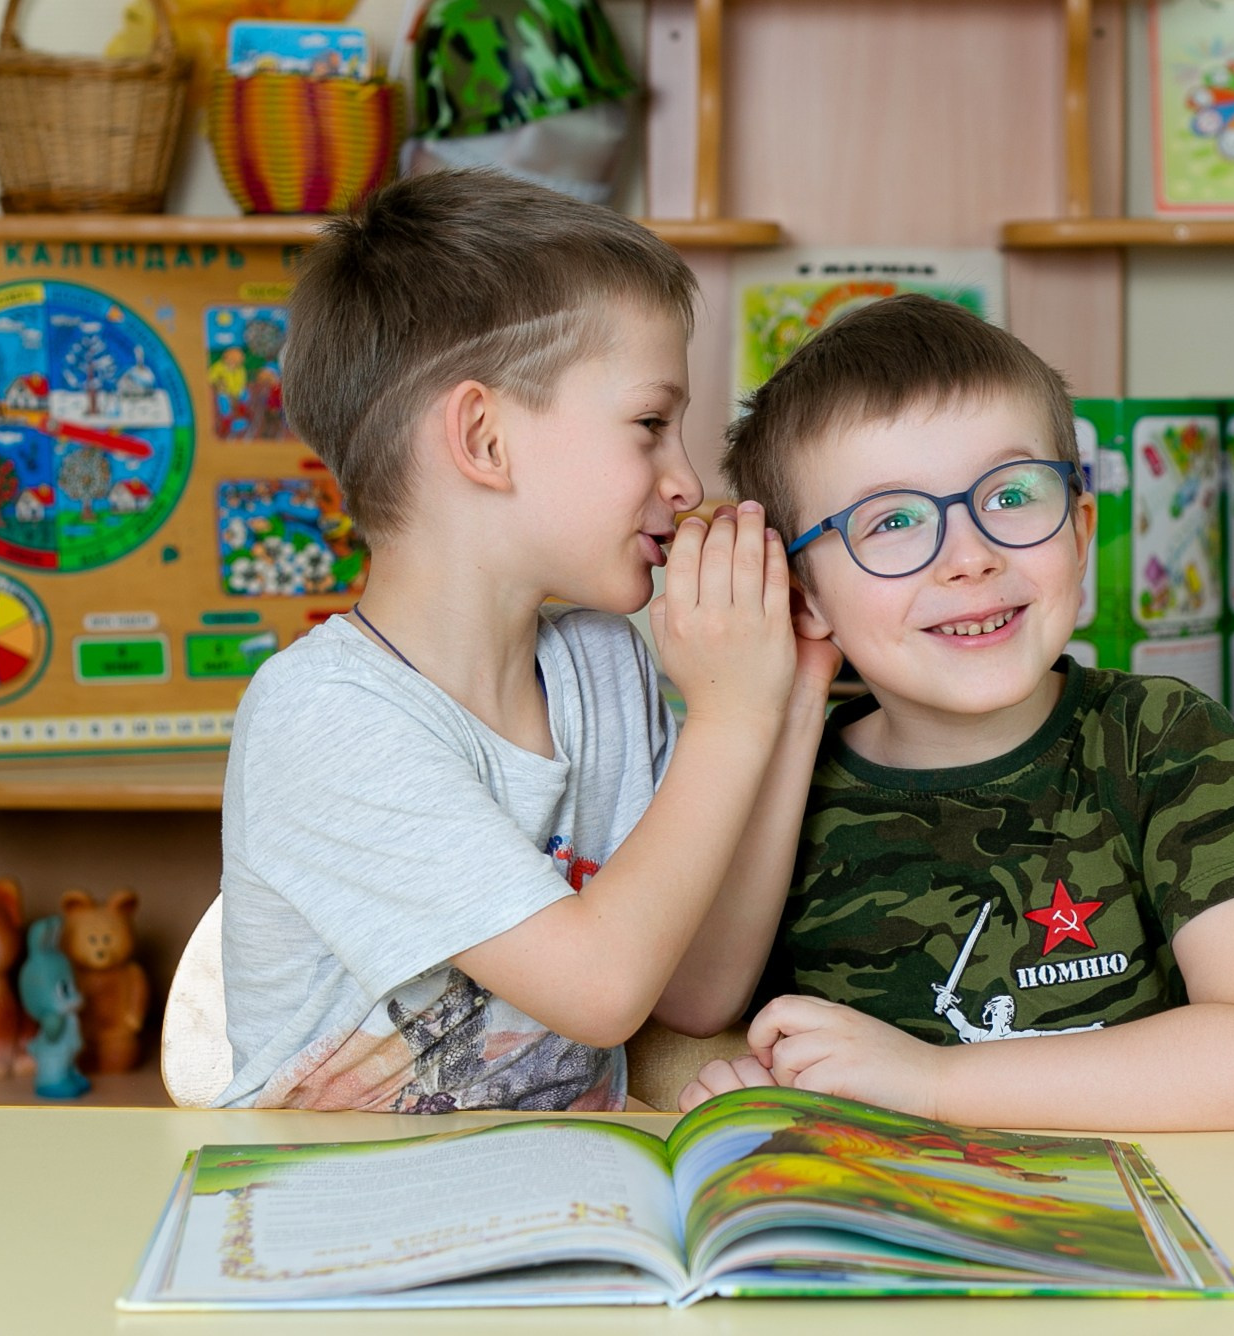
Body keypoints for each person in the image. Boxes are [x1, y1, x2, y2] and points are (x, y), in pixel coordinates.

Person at [212, 169, 835, 1113]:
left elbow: (695, 990)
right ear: (484, 439)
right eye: (650, 425)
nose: (683, 479)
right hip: (347, 1225)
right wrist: (731, 714)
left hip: (560, 1208)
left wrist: (785, 701)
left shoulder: (600, 662)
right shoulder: (322, 717)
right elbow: (601, 991)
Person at [680, 294, 1234, 1131]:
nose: (971, 557)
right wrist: (798, 691)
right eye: (895, 520)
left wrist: (932, 1083)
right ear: (802, 595)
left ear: (1081, 529)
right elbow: (698, 1002)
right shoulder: (785, 776)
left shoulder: (1159, 738)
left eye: (1013, 496)